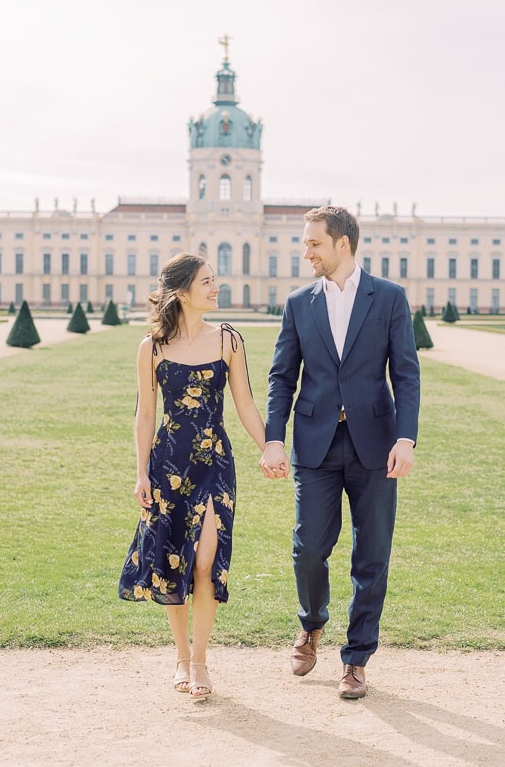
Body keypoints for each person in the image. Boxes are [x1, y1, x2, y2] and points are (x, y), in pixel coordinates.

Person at [260, 205, 421, 700]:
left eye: (314, 243)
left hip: (376, 444)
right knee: (309, 547)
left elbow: (406, 374)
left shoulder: (389, 298)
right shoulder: (298, 303)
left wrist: (406, 438)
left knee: (372, 555)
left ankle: (356, 659)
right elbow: (282, 377)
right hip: (316, 444)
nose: (306, 252)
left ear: (342, 243)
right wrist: (273, 438)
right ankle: (311, 624)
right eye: (306, 243)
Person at [118, 253, 267, 702]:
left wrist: (270, 448)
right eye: (206, 282)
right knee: (174, 563)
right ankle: (182, 657)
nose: (215, 287)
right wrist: (141, 473)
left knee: (205, 561)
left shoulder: (228, 340)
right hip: (168, 466)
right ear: (182, 292)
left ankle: (200, 660)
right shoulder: (151, 348)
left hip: (215, 463)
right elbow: (146, 415)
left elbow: (245, 403)